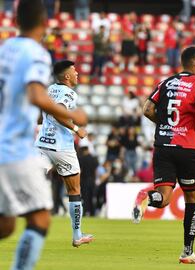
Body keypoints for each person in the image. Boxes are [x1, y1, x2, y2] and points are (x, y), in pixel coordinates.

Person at [0, 1, 87, 269]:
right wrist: (76, 120)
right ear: (44, 23)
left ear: (16, 21)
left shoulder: (6, 50)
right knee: (39, 219)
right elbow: (38, 98)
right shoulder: (36, 53)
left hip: (19, 143)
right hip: (17, 148)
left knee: (6, 224)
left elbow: (35, 108)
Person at [131, 46, 195, 264]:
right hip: (187, 148)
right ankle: (187, 252)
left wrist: (165, 125)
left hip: (163, 147)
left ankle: (147, 196)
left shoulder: (165, 83)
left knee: (163, 198)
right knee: (192, 199)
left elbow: (147, 109)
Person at [35, 60, 93, 247]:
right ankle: (77, 236)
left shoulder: (49, 89)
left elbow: (40, 113)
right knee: (74, 190)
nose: (77, 74)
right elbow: (59, 112)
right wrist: (77, 128)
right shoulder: (69, 93)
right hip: (62, 148)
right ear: (67, 76)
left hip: (42, 144)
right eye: (74, 71)